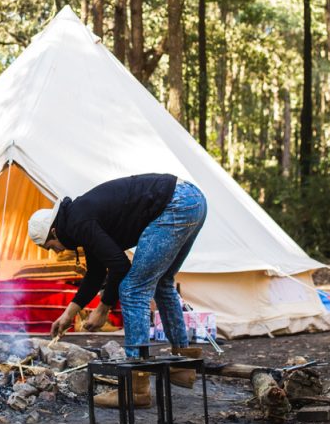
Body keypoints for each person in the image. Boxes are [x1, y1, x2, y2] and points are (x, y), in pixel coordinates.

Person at [27, 172, 207, 408]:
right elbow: (96, 273)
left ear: (53, 232)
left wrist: (103, 307)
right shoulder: (79, 219)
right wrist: (68, 314)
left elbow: (121, 266)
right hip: (193, 199)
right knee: (162, 282)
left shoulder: (78, 222)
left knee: (133, 289)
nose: (56, 252)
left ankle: (135, 388)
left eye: (50, 246)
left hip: (174, 203)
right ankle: (182, 366)